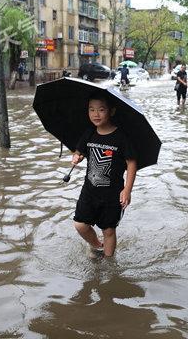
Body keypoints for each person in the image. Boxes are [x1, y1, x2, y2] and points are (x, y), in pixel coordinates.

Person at [72, 92, 137, 257]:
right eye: (91, 110)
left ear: (111, 111)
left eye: (101, 109)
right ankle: (96, 245)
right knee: (80, 225)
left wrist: (127, 190)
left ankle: (109, 263)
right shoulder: (89, 133)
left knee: (108, 230)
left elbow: (131, 163)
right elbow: (79, 150)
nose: (96, 114)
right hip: (89, 191)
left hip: (112, 194)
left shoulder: (121, 137)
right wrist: (77, 156)